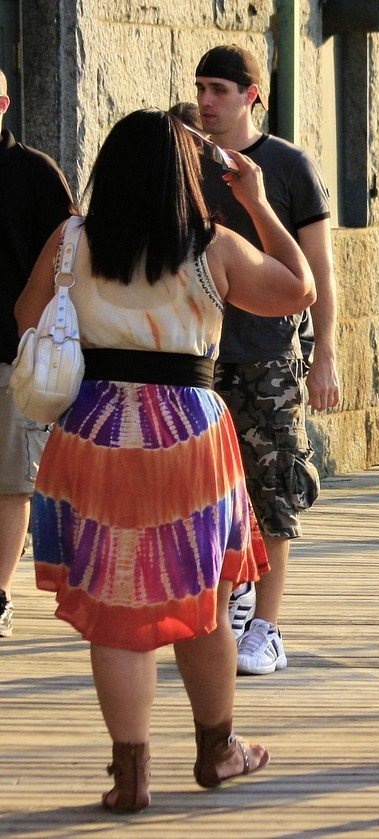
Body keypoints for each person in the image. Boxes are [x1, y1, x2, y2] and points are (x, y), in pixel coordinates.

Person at [14, 108, 315, 811]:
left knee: (113, 608)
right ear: (185, 176)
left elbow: (28, 317)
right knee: (205, 600)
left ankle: (131, 773)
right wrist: (257, 202)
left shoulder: (71, 239)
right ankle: (218, 749)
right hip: (188, 432)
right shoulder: (212, 248)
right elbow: (297, 289)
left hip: (94, 427)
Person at [194, 44, 340, 675]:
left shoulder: (287, 166)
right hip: (197, 358)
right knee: (209, 494)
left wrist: (325, 351)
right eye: (201, 88)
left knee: (274, 489)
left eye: (219, 89)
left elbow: (319, 269)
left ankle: (267, 629)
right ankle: (231, 601)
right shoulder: (188, 163)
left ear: (251, 95)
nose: (206, 101)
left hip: (268, 355)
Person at [0, 68, 74, 638]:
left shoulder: (35, 173)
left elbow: (68, 260)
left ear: (4, 104)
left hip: (12, 353)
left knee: (10, 482)